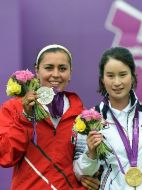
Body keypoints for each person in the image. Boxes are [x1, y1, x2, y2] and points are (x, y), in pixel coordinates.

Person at [0, 44, 99, 190]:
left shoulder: (83, 117)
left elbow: (86, 166)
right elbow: (6, 157)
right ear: (37, 71)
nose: (56, 74)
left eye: (62, 69)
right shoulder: (14, 108)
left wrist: (92, 181)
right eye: (49, 67)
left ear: (70, 73)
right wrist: (26, 117)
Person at [73, 47, 142, 190]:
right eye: (110, 76)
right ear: (102, 79)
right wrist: (90, 153)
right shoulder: (90, 120)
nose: (117, 82)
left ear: (133, 76)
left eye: (123, 75)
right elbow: (81, 172)